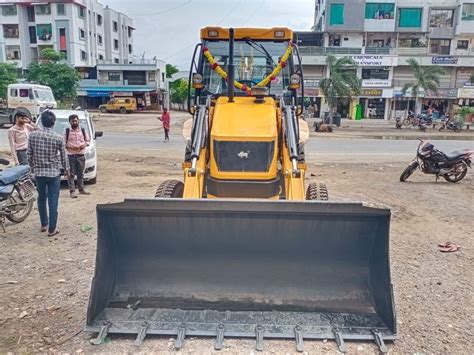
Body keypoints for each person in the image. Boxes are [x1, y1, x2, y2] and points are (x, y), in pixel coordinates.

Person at [27, 110, 70, 236]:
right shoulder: (58, 137)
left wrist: (33, 166)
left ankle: (44, 224)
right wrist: (67, 170)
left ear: (42, 121)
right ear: (53, 122)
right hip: (53, 173)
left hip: (39, 173)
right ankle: (52, 229)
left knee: (41, 198)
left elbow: (29, 154)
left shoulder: (33, 135)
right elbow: (63, 157)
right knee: (53, 200)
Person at [64, 114, 90, 198]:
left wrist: (83, 145)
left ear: (78, 121)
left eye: (76, 121)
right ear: (70, 122)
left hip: (81, 155)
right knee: (71, 174)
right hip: (71, 155)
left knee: (80, 173)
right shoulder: (67, 131)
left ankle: (81, 189)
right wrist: (70, 147)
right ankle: (72, 191)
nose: (74, 122)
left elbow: (88, 141)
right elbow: (63, 143)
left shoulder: (82, 130)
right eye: (73, 121)